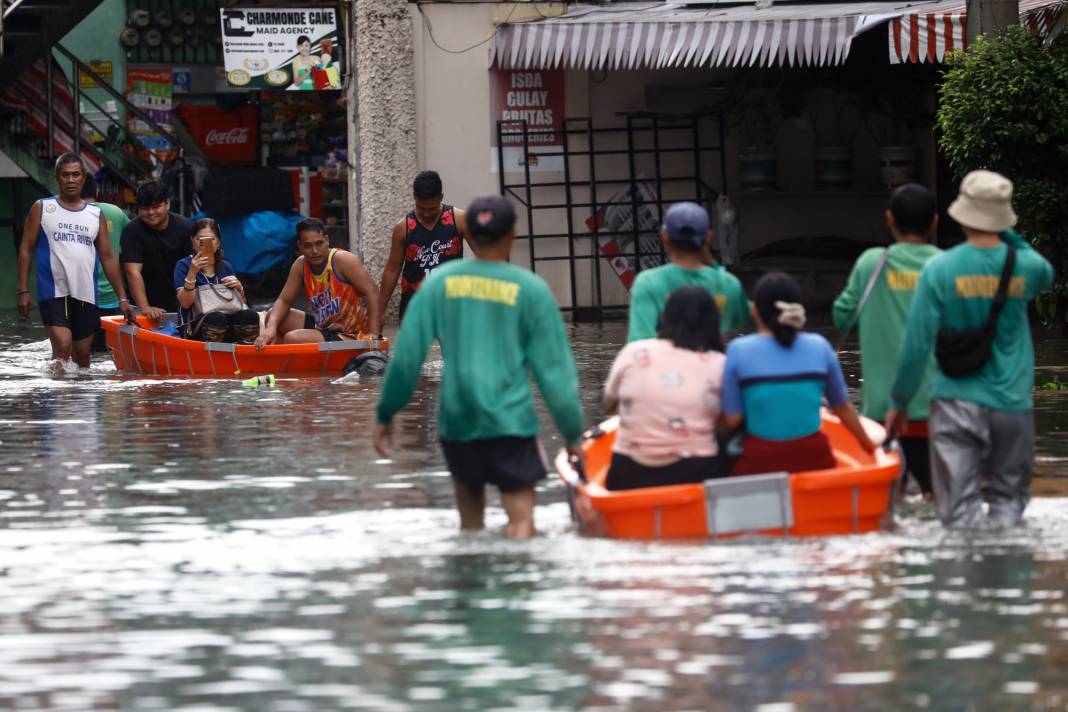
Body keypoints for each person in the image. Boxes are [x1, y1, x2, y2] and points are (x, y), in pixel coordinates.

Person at [373, 195, 585, 539]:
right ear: (512, 233)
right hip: (511, 423)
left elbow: (407, 359)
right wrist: (573, 433)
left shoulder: (436, 286)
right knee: (521, 523)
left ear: (469, 231)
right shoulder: (531, 290)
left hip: (457, 423)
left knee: (470, 529)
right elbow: (554, 373)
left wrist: (385, 413)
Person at [887, 170, 1054, 530]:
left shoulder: (939, 269)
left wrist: (899, 402)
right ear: (1002, 216)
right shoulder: (1024, 266)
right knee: (1008, 506)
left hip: (954, 403)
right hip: (1011, 404)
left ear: (961, 214)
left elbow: (916, 346)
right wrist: (1005, 232)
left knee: (958, 516)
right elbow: (1047, 272)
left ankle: (964, 581)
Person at [833, 184, 941, 497]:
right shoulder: (945, 266)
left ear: (889, 219)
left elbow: (842, 316)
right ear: (934, 222)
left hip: (880, 410)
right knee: (939, 501)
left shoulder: (872, 263)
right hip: (936, 408)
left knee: (885, 504)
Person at [723, 272, 876, 475]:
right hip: (814, 458)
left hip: (759, 462)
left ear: (755, 312)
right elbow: (842, 408)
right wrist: (868, 445)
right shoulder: (820, 346)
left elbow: (732, 419)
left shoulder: (738, 350)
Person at [15, 154, 136, 369]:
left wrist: (123, 299)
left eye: (75, 175)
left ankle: (79, 402)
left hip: (86, 294)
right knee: (62, 347)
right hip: (53, 291)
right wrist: (23, 290)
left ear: (83, 178)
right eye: (65, 175)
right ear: (57, 178)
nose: (70, 180)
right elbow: (26, 248)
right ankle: (54, 400)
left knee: (84, 357)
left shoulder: (95, 214)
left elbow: (108, 257)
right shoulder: (42, 208)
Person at [603, 286, 727, 490]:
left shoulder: (635, 351)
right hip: (696, 471)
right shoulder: (720, 363)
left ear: (666, 317)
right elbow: (727, 422)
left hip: (627, 470)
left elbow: (609, 403)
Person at [627, 201, 748, 342]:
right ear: (708, 237)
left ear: (664, 237)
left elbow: (639, 342)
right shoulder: (728, 283)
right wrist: (714, 266)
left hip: (665, 363)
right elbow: (741, 319)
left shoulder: (648, 283)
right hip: (713, 361)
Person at [255, 218, 382, 347]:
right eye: (308, 246)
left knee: (293, 338)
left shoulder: (342, 260)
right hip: (325, 326)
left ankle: (294, 361)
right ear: (299, 247)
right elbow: (284, 300)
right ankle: (285, 361)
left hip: (352, 334)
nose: (315, 251)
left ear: (327, 240)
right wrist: (270, 328)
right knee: (272, 317)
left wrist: (373, 333)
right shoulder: (300, 265)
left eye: (319, 243)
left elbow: (372, 291)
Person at [379, 171, 472, 320]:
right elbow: (392, 269)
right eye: (422, 208)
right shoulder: (403, 228)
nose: (427, 214)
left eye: (432, 209)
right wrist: (380, 310)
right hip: (415, 301)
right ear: (415, 197)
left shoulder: (459, 219)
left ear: (441, 197)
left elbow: (483, 254)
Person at [173, 218, 259, 343]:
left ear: (218, 243)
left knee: (250, 315)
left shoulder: (226, 267)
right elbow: (185, 303)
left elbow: (239, 305)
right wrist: (192, 273)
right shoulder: (184, 265)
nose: (206, 243)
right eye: (200, 239)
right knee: (216, 318)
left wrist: (240, 288)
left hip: (226, 321)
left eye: (211, 239)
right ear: (192, 241)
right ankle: (211, 357)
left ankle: (247, 353)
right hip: (194, 326)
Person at [121, 179, 192, 319]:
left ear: (168, 204)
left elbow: (194, 267)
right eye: (145, 208)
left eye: (156, 206)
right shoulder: (132, 230)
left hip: (181, 302)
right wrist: (145, 307)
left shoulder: (185, 227)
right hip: (143, 306)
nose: (151, 212)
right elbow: (132, 272)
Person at [82, 175, 131, 352]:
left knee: (84, 354)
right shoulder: (115, 212)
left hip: (81, 298)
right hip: (114, 297)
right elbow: (130, 243)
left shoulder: (71, 216)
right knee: (114, 353)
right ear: (96, 191)